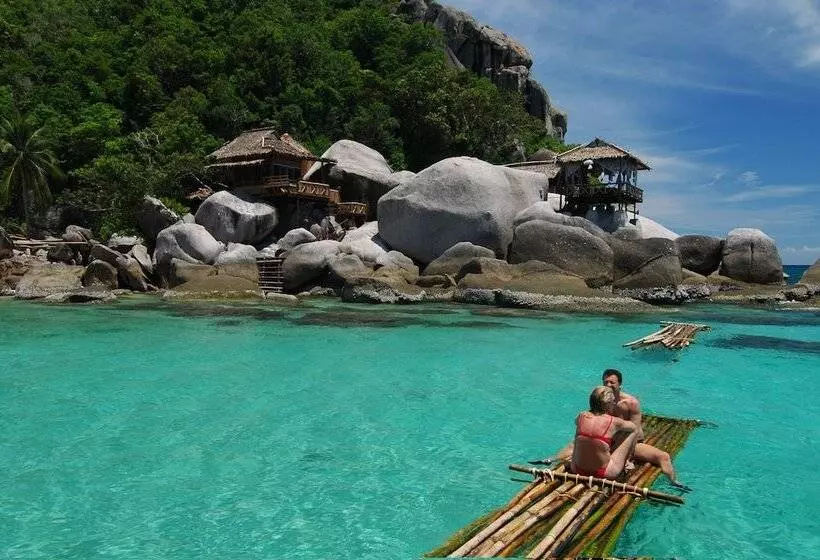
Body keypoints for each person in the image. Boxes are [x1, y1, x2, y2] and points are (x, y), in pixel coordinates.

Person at [602, 368, 690, 491]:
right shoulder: (601, 401)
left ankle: (675, 482)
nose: (608, 385)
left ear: (620, 384)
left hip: (632, 443)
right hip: (611, 442)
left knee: (663, 456)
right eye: (605, 382)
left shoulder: (631, 403)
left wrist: (627, 458)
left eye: (612, 382)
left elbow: (634, 432)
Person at [569, 386, 638, 479]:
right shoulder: (614, 422)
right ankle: (629, 460)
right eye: (612, 401)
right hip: (603, 473)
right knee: (633, 431)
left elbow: (576, 422)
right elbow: (634, 427)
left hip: (577, 469)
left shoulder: (581, 416)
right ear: (606, 404)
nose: (614, 403)